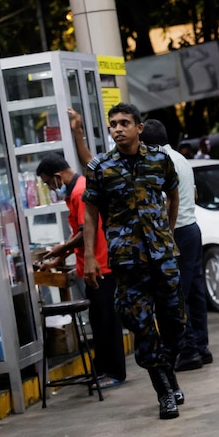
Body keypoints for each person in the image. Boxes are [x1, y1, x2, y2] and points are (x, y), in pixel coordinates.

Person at [82, 102, 186, 420]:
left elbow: (173, 195)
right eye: (113, 123)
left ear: (139, 127)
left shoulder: (159, 159)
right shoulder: (100, 167)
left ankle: (168, 370)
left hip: (162, 256)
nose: (118, 128)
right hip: (127, 262)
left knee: (176, 324)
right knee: (142, 327)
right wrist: (89, 255)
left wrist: (166, 233)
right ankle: (164, 392)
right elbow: (90, 212)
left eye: (125, 122)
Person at [36, 153, 127, 389]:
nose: (50, 187)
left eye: (48, 183)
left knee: (107, 321)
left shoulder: (80, 192)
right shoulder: (77, 191)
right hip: (90, 267)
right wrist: (58, 259)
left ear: (57, 176)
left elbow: (86, 231)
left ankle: (115, 372)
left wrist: (61, 248)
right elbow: (78, 232)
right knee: (98, 322)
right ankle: (103, 368)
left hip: (99, 266)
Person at [140, 119, 212, 371]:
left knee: (176, 295)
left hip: (177, 231)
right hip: (191, 228)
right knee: (194, 293)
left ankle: (189, 350)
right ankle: (201, 348)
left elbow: (166, 203)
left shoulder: (160, 163)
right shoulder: (180, 158)